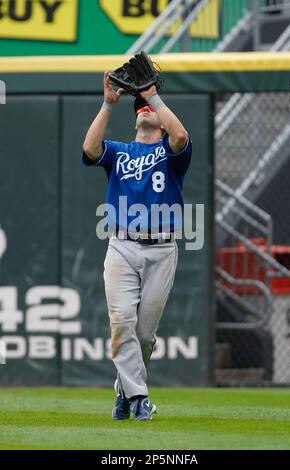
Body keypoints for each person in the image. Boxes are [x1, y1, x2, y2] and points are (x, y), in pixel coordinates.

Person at [82, 71, 192, 421]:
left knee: (144, 335)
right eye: (140, 107)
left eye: (150, 107)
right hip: (122, 247)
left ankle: (123, 391)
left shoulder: (170, 152)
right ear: (135, 121)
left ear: (159, 119)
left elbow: (181, 134)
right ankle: (140, 398)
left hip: (161, 250)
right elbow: (89, 148)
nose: (144, 109)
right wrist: (107, 104)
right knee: (121, 322)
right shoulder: (119, 151)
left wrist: (152, 95)